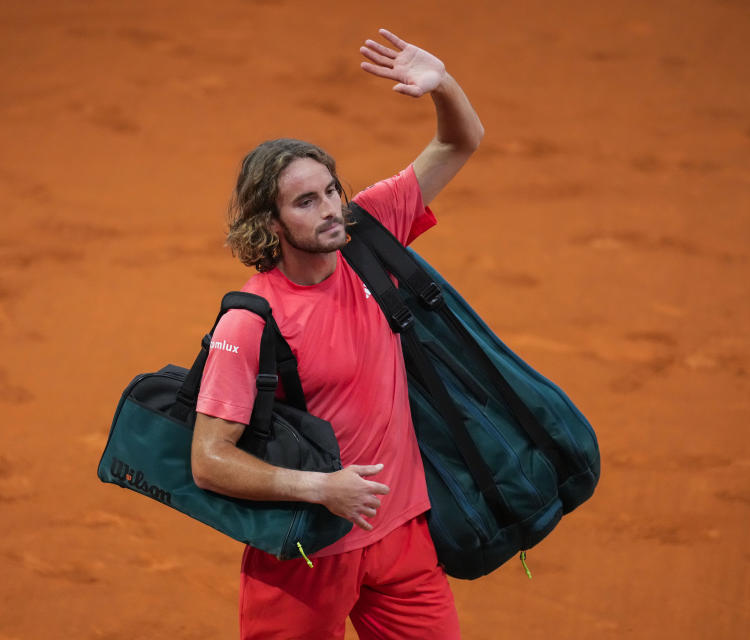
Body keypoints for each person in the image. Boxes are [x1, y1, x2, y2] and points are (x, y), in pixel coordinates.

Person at [190, 28, 483, 640]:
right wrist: (321, 488)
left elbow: (461, 141)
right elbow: (209, 461)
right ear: (270, 223)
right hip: (307, 554)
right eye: (305, 202)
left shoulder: (369, 234)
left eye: (330, 191)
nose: (328, 210)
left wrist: (443, 84)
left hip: (404, 539)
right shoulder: (250, 322)